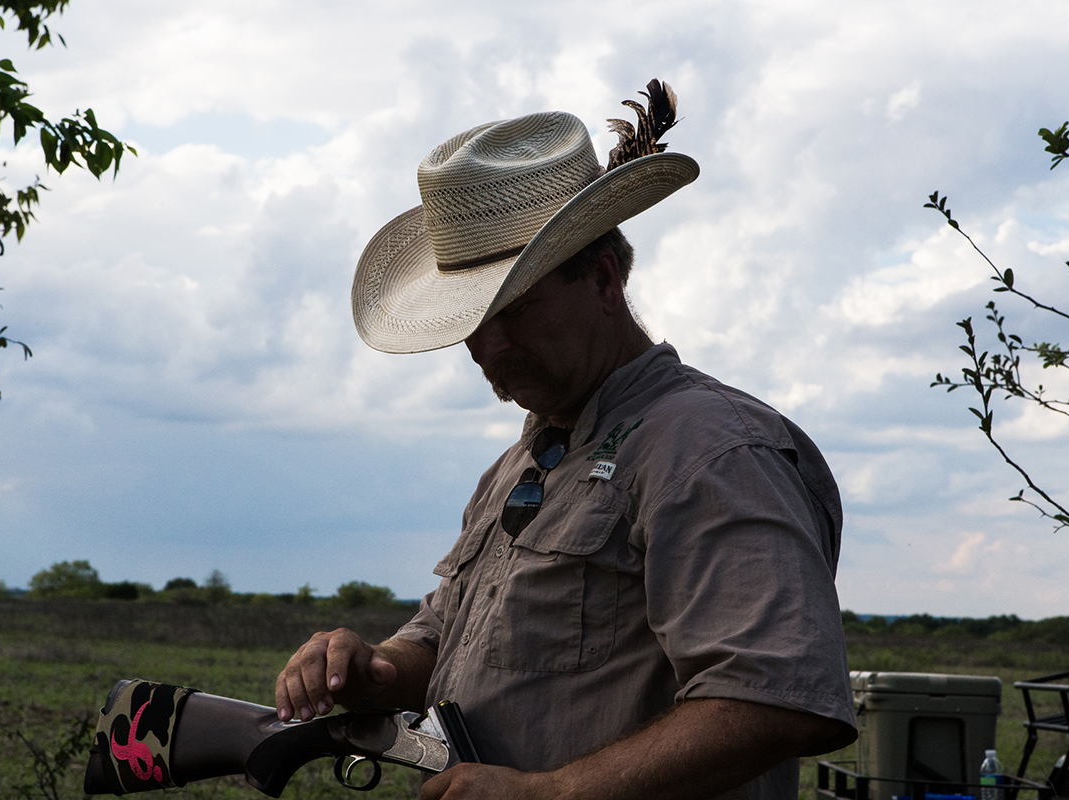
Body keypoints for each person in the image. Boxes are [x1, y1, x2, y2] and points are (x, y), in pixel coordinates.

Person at [276, 80, 857, 800]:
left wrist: (553, 794)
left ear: (604, 279)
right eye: (468, 321)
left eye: (512, 309)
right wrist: (376, 670)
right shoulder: (522, 463)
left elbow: (781, 700)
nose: (485, 347)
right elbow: (453, 635)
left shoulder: (711, 451)